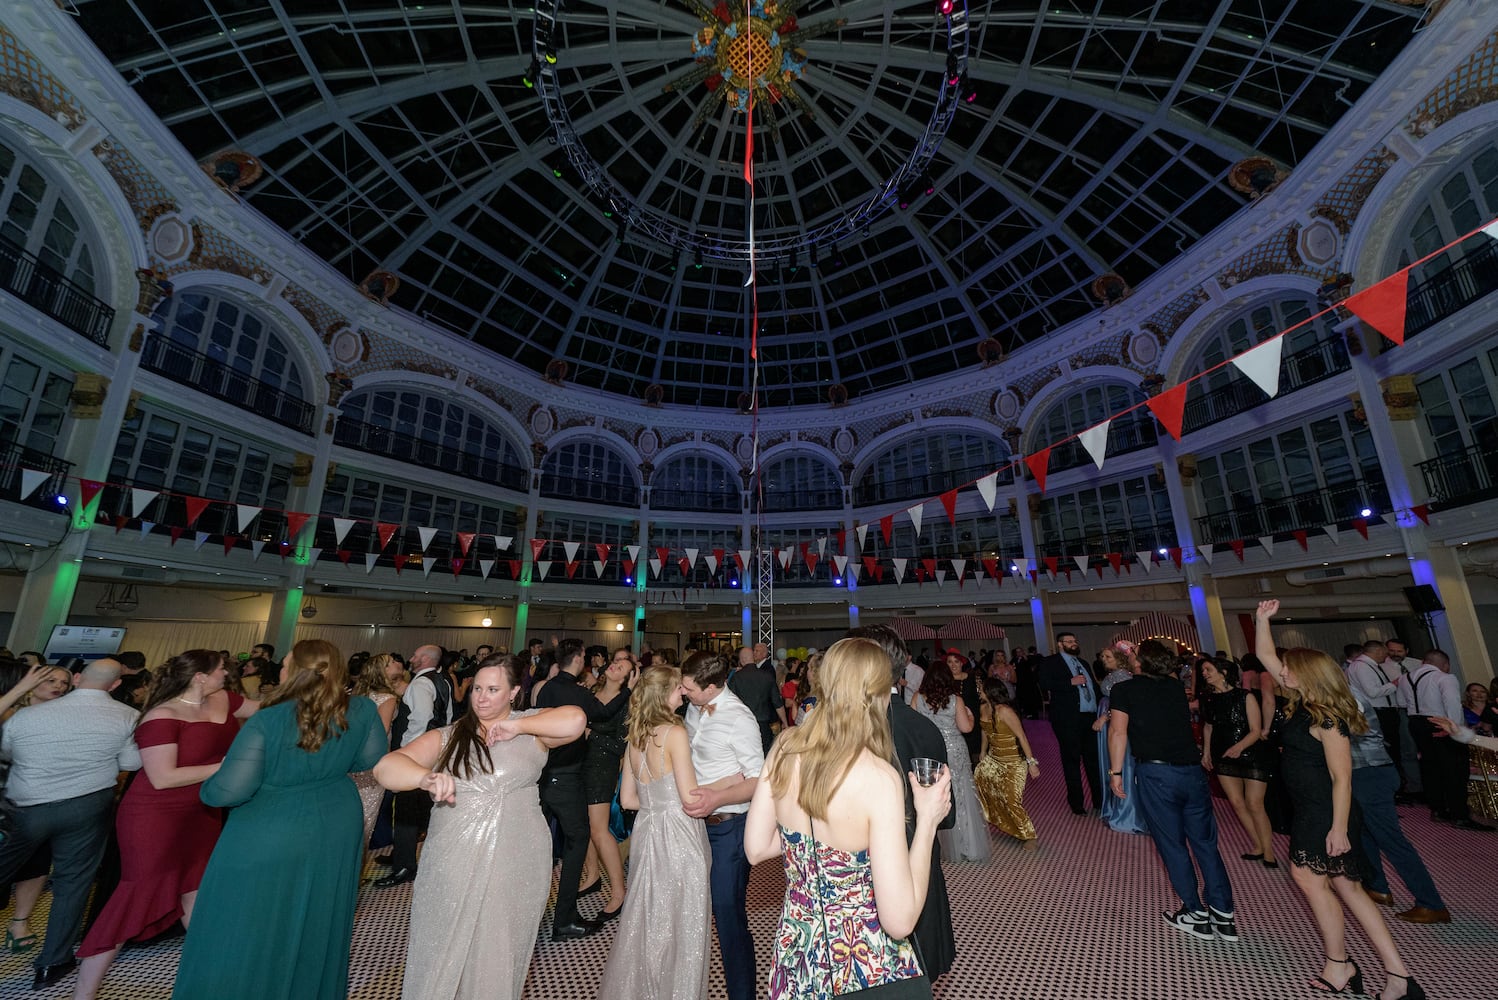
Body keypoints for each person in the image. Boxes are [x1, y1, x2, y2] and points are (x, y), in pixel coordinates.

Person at [171, 640, 385, 999]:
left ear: (296, 672)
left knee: (248, 918)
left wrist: (209, 782)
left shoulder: (269, 718)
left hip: (271, 824)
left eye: (285, 665)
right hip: (337, 818)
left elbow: (226, 792)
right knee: (320, 913)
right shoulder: (361, 709)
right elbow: (370, 759)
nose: (281, 670)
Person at [745, 637, 951, 999]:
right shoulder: (879, 777)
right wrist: (929, 820)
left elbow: (757, 847)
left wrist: (808, 839)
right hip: (864, 961)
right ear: (879, 693)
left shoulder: (785, 746)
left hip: (799, 951)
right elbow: (899, 920)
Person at [376, 656, 584, 999]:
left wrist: (518, 726)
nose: (481, 697)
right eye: (477, 689)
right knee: (446, 941)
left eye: (493, 689)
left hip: (517, 856)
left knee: (500, 944)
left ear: (514, 692)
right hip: (454, 857)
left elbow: (576, 720)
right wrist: (423, 776)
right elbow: (387, 767)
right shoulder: (451, 735)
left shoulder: (532, 728)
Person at [1254, 600, 1424, 1000]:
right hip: (1313, 809)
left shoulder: (1327, 717)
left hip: (1327, 813)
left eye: (1289, 667)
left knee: (1310, 879)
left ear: (1307, 674)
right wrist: (1261, 620)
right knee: (1347, 889)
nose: (1282, 671)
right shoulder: (1302, 704)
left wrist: (1338, 828)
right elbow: (1265, 655)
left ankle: (1345, 965)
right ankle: (1392, 975)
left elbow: (1343, 778)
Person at [74, 650, 259, 1000]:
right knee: (135, 896)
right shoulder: (162, 715)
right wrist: (228, 766)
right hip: (155, 817)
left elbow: (266, 714)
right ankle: (83, 993)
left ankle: (220, 978)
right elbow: (163, 777)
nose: (226, 674)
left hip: (203, 812)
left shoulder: (224, 698)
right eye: (220, 670)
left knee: (198, 893)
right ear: (200, 676)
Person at [0, 660, 140, 991]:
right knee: (73, 883)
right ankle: (52, 963)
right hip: (87, 806)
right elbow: (132, 762)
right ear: (117, 685)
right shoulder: (128, 715)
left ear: (76, 678)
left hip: (26, 805)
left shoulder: (27, 715)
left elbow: (8, 752)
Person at [846, 625, 956, 980]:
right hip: (917, 871)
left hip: (861, 881)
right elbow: (946, 818)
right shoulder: (924, 729)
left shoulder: (839, 733)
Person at [595, 665, 711, 999]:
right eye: (679, 689)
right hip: (679, 831)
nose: (684, 693)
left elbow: (628, 800)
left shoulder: (636, 736)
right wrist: (731, 783)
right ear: (664, 695)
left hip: (648, 829)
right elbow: (691, 799)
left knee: (649, 914)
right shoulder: (675, 733)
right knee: (683, 918)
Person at [1108, 640, 1237, 942]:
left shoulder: (1124, 690)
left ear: (1140, 663)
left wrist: (1115, 772)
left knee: (1173, 844)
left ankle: (1194, 913)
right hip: (1192, 772)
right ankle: (1223, 912)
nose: (1131, 657)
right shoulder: (1174, 687)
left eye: (1134, 654)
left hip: (1157, 774)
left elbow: (1118, 732)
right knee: (1205, 843)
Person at [679, 651, 765, 1000]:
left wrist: (716, 799)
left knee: (728, 916)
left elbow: (759, 779)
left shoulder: (739, 718)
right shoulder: (694, 708)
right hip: (694, 827)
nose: (683, 693)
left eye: (688, 689)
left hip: (729, 828)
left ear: (712, 687)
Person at [1344, 688, 1450, 925]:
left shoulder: (1346, 697)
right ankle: (1378, 887)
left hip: (1369, 773)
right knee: (1364, 833)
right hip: (1362, 773)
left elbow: (1350, 734)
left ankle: (1431, 904)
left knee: (1391, 840)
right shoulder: (1343, 694)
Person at [532, 637, 606, 939]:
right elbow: (604, 714)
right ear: (580, 658)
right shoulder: (576, 692)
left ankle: (532, 915)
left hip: (543, 773)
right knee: (577, 842)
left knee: (540, 847)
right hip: (566, 778)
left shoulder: (547, 688)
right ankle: (564, 920)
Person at [376, 644, 455, 886]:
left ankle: (405, 866)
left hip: (418, 753)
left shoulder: (421, 684)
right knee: (421, 808)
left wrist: (406, 752)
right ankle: (403, 854)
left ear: (422, 659)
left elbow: (421, 719)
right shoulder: (443, 680)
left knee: (405, 810)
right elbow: (449, 716)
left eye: (414, 655)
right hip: (436, 751)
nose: (410, 658)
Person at [1199, 657, 1277, 868]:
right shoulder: (1207, 698)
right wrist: (1206, 753)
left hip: (1252, 753)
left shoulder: (1245, 696)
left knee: (1254, 803)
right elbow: (1208, 727)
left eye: (1208, 669)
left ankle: (1269, 850)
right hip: (1222, 754)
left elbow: (1255, 730)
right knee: (1236, 802)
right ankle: (1258, 845)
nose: (1204, 673)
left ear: (1223, 673)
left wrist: (1239, 747)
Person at [1400, 650, 1491, 831]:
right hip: (1441, 723)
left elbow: (1402, 703)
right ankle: (1460, 816)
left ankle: (1439, 810)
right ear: (1445, 664)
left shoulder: (1405, 678)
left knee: (1430, 768)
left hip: (1417, 724)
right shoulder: (1445, 677)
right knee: (1456, 770)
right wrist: (1454, 729)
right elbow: (1452, 702)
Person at [910, 655, 987, 863]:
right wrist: (970, 716)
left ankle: (938, 845)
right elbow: (966, 728)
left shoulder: (917, 697)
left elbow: (914, 728)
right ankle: (966, 845)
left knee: (935, 794)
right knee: (961, 795)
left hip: (930, 749)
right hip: (955, 749)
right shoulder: (956, 699)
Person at [578, 647, 635, 920]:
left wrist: (591, 736)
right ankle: (591, 877)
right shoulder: (591, 694)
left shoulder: (626, 704)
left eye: (622, 667)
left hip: (603, 767)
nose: (615, 666)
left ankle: (618, 891)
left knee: (600, 831)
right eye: (615, 662)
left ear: (628, 679)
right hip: (580, 764)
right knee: (585, 827)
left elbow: (621, 746)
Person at [1037, 631, 1104, 815]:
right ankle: (1077, 803)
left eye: (1075, 641)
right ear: (1060, 644)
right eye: (1069, 641)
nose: (1074, 643)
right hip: (1067, 718)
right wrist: (1070, 682)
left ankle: (1099, 800)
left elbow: (1094, 687)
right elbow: (1044, 683)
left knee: (1093, 760)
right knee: (1072, 760)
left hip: (1089, 717)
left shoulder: (1083, 663)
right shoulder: (1050, 662)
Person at [973, 675, 1039, 847]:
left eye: (982, 688)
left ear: (990, 691)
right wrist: (982, 752)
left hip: (1013, 761)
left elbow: (1022, 736)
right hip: (994, 759)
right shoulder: (983, 708)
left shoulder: (1004, 711)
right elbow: (985, 732)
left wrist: (1031, 763)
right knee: (980, 779)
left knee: (1011, 799)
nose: (979, 691)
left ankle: (1029, 835)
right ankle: (1003, 822)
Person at [349, 652, 401, 848]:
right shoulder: (387, 698)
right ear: (381, 671)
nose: (397, 663)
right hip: (372, 764)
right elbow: (381, 731)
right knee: (365, 821)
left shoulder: (357, 696)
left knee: (352, 816)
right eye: (391, 662)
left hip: (352, 760)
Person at [1093, 644, 1145, 835]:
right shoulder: (1113, 674)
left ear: (1120, 658)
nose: (1104, 660)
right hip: (1109, 721)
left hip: (1115, 721)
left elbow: (1123, 705)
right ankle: (1114, 807)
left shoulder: (1123, 676)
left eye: (1108, 657)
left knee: (1122, 762)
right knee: (1111, 761)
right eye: (1103, 657)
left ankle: (1127, 812)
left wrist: (1104, 717)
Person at [729, 644, 788, 755]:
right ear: (752, 658)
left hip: (743, 725)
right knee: (765, 755)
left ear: (741, 661)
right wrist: (784, 722)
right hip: (763, 725)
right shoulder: (767, 676)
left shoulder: (737, 677)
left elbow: (730, 701)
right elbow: (777, 703)